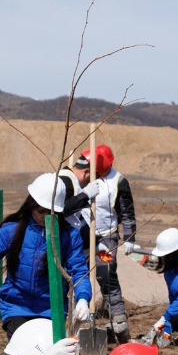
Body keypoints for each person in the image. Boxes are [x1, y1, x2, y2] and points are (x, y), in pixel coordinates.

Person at [0, 174, 93, 339]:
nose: (45, 216)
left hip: (51, 308)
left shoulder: (69, 236)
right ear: (31, 205)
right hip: (16, 304)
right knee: (24, 351)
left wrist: (83, 298)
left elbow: (79, 270)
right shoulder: (13, 230)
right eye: (40, 211)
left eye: (51, 212)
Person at [74, 144, 136, 341]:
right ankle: (74, 319)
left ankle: (118, 321)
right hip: (82, 234)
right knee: (76, 274)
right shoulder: (83, 175)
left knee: (106, 273)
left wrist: (129, 237)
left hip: (106, 236)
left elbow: (127, 212)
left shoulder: (118, 182)